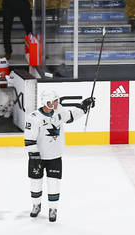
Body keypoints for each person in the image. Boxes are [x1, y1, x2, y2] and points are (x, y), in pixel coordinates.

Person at [24, 87, 94, 222]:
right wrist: (34, 157)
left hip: (55, 156)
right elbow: (29, 139)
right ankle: (36, 205)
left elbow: (71, 116)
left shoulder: (59, 111)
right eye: (54, 102)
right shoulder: (33, 118)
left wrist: (84, 106)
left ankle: (53, 209)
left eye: (57, 101)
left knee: (54, 183)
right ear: (46, 103)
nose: (56, 104)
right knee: (36, 183)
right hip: (37, 157)